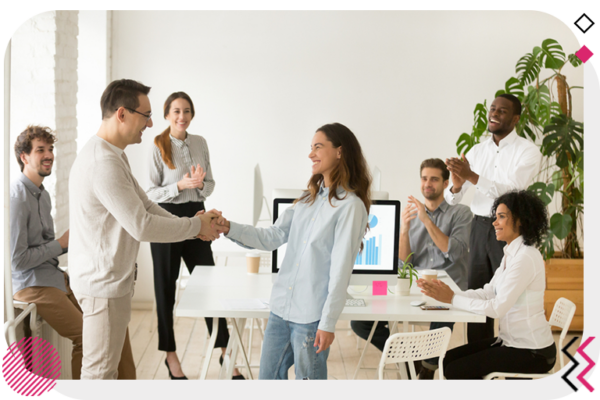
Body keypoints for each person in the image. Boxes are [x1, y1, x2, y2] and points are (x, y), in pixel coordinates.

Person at [68, 79, 221, 379]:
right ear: (122, 114)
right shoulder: (103, 163)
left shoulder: (114, 155)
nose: (151, 124)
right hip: (103, 286)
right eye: (146, 115)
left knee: (121, 374)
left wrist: (194, 226)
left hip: (111, 283)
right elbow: (141, 224)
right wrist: (194, 226)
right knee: (99, 375)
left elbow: (145, 205)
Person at [212, 123, 370, 379]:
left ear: (339, 152)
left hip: (311, 319)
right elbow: (271, 236)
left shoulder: (350, 207)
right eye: (311, 148)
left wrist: (328, 324)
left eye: (318, 147)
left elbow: (340, 272)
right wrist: (227, 227)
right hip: (280, 312)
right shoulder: (306, 200)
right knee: (268, 379)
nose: (311, 154)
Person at [10, 125, 136, 379]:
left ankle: (127, 391)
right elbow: (17, 260)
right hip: (32, 284)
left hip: (54, 277)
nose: (48, 155)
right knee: (87, 337)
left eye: (50, 149)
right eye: (40, 150)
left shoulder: (42, 196)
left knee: (115, 327)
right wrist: (61, 244)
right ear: (24, 157)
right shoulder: (16, 198)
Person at [146, 92, 243, 379]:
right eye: (176, 111)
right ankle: (170, 355)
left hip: (197, 215)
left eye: (186, 111)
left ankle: (225, 353)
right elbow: (150, 193)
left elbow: (210, 183)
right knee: (165, 287)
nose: (181, 116)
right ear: (167, 114)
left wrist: (198, 186)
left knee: (208, 283)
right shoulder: (156, 145)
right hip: (164, 217)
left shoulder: (200, 143)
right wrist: (179, 185)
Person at [350, 158, 472, 379]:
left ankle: (427, 369)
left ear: (445, 184)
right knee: (360, 322)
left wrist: (426, 220)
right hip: (415, 287)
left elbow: (453, 252)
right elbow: (404, 265)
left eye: (434, 179)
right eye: (424, 178)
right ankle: (409, 359)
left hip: (448, 286)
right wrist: (404, 230)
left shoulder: (461, 213)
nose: (428, 183)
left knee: (442, 315)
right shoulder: (410, 214)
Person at [417, 190, 556, 379]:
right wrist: (451, 295)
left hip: (533, 351)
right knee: (447, 360)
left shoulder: (525, 258)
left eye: (501, 217)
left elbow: (497, 308)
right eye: (495, 217)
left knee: (454, 370)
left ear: (520, 220)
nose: (494, 223)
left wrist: (452, 299)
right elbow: (489, 291)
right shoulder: (511, 253)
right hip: (510, 342)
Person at [444, 94, 542, 343]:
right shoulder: (476, 151)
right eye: (493, 109)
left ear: (516, 118)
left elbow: (512, 192)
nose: (495, 114)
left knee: (510, 294)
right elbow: (453, 199)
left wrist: (473, 176)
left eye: (503, 111)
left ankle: (514, 350)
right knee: (478, 288)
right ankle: (478, 353)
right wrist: (456, 185)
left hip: (509, 228)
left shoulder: (528, 151)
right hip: (478, 228)